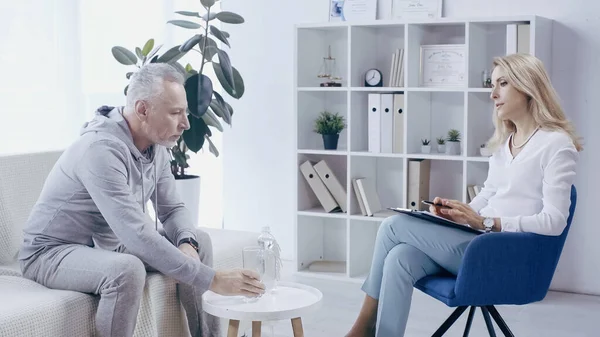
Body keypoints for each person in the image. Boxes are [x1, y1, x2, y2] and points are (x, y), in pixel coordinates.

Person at [18, 63, 265, 337]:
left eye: (184, 112)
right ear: (143, 109)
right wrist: (214, 279)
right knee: (126, 271)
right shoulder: (100, 150)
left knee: (199, 239)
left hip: (109, 244)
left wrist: (186, 241)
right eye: (176, 113)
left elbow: (172, 209)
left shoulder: (154, 146)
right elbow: (136, 234)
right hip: (51, 252)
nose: (185, 123)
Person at [345, 53, 583, 337]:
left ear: (528, 86)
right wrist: (459, 213)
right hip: (476, 244)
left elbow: (554, 222)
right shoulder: (505, 143)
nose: (493, 94)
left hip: (504, 257)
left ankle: (363, 325)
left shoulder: (556, 144)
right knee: (400, 256)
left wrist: (487, 223)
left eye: (503, 84)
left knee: (393, 226)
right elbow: (489, 194)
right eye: (492, 86)